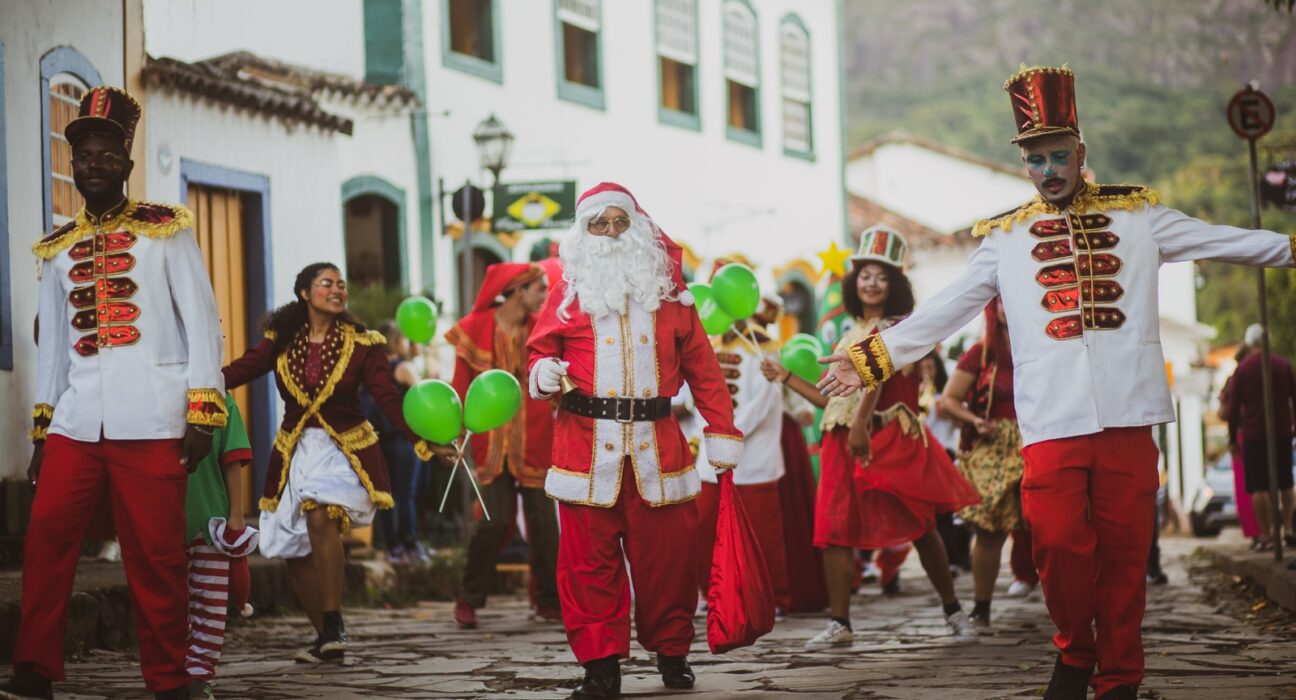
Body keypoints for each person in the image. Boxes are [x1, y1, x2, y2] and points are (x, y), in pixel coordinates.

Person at [819, 66, 1296, 700]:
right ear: (1024, 165)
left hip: (1129, 415)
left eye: (1058, 155)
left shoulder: (1141, 217)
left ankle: (1121, 675)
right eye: (1036, 158)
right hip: (1050, 421)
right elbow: (948, 308)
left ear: (1081, 153)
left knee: (1126, 557)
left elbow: (1225, 241)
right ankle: (1076, 651)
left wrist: (1288, 245)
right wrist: (873, 357)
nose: (1048, 169)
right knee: (1060, 549)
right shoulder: (1004, 239)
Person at [5, 86, 225, 700]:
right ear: (73, 167)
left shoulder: (167, 231)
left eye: (106, 153)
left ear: (126, 164)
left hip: (154, 419)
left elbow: (202, 323)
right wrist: (43, 432)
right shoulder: (58, 248)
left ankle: (170, 679)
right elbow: (53, 351)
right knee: (46, 537)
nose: (94, 163)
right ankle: (33, 669)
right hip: (78, 422)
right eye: (84, 155)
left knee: (157, 557)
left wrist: (203, 411)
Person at [527, 182, 742, 699]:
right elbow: (537, 352)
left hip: (658, 450)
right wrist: (544, 372)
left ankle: (672, 652)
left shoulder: (671, 297)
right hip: (584, 451)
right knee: (586, 567)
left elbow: (705, 372)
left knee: (667, 563)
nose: (609, 233)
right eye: (597, 224)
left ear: (638, 229)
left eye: (618, 222)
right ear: (582, 233)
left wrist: (721, 431)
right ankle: (601, 667)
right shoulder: (566, 294)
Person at [221, 262, 446, 664]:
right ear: (305, 293)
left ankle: (333, 618)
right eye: (327, 283)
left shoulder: (364, 343)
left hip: (346, 450)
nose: (337, 289)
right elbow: (242, 370)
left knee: (322, 515)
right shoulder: (281, 338)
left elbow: (388, 398)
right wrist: (196, 385)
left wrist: (423, 440)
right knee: (291, 550)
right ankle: (327, 636)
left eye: (341, 283)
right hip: (294, 451)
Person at [775, 226, 980, 651]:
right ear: (854, 282)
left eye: (882, 276)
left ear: (896, 284)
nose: (871, 282)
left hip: (887, 436)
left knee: (921, 526)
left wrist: (861, 425)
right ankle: (840, 623)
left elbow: (878, 376)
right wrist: (786, 376)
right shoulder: (850, 330)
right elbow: (827, 397)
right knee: (833, 531)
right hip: (839, 437)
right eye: (865, 274)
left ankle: (953, 610)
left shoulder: (903, 327)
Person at [444, 262, 560, 627]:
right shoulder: (474, 329)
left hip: (536, 440)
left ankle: (547, 601)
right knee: (495, 522)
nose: (544, 294)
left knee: (545, 527)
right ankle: (469, 597)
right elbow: (460, 386)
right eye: (538, 288)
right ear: (517, 290)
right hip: (491, 444)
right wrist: (455, 433)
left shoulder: (542, 328)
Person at [939, 297, 1035, 626]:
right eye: (1003, 301)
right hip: (993, 446)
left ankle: (1072, 607)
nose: (1010, 307)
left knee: (1053, 526)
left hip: (1039, 440)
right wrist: (974, 420)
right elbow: (948, 401)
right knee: (989, 531)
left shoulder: (1047, 346)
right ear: (994, 308)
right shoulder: (980, 353)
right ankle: (982, 607)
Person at [693, 296, 792, 615]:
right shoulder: (706, 342)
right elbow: (698, 392)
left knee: (762, 530)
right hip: (712, 451)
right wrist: (711, 429)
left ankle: (771, 596)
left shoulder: (764, 346)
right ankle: (711, 593)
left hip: (754, 454)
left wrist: (732, 430)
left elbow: (766, 398)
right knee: (704, 524)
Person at [182, 394, 259, 699]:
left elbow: (233, 461)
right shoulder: (154, 387)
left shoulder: (222, 400)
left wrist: (236, 519)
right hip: (163, 521)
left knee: (211, 608)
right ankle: (175, 671)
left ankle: (199, 674)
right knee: (171, 604)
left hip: (211, 523)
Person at [1226, 323, 1296, 549]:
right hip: (1282, 432)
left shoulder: (1243, 370)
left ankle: (1267, 535)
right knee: (1286, 483)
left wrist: (1230, 439)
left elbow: (1233, 409)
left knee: (1258, 487)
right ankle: (1288, 528)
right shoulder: (1283, 365)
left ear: (1249, 343)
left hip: (1254, 435)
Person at [365, 321, 425, 563]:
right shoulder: (403, 368)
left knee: (387, 494)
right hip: (402, 439)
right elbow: (425, 395)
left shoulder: (374, 368)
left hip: (380, 438)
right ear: (396, 340)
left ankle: (392, 545)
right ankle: (409, 543)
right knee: (406, 493)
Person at [1219, 343, 1263, 547]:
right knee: (1260, 485)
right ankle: (1264, 532)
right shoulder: (1258, 376)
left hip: (1240, 436)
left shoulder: (1232, 380)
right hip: (1257, 435)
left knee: (1247, 488)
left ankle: (1256, 533)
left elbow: (1224, 413)